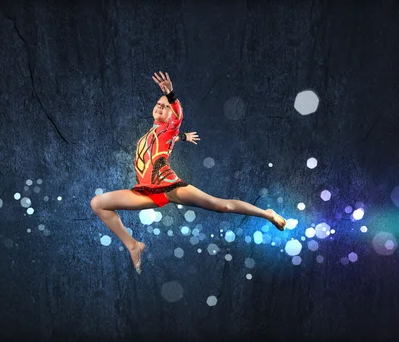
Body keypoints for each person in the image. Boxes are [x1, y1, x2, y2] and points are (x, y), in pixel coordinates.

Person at [90, 71, 287, 274]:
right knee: (98, 204)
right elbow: (168, 139)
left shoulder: (169, 126)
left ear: (171, 115)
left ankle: (267, 214)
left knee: (222, 206)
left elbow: (175, 121)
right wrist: (182, 137)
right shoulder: (152, 133)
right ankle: (134, 245)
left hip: (169, 186)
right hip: (146, 191)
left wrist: (171, 96)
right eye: (159, 103)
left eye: (166, 107)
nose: (161, 106)